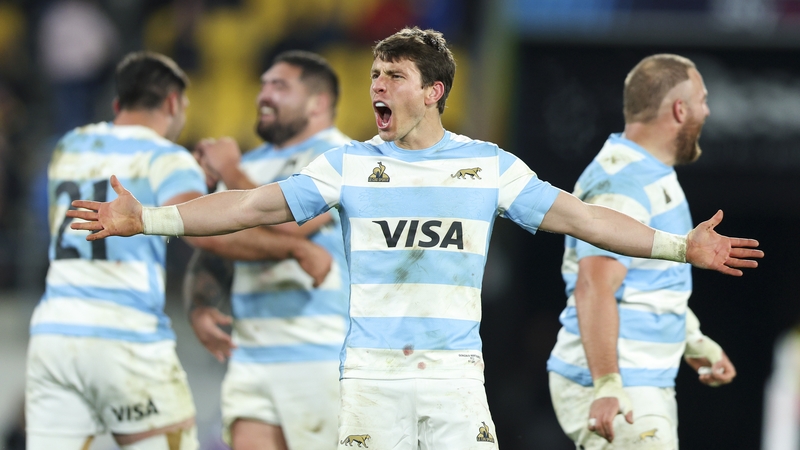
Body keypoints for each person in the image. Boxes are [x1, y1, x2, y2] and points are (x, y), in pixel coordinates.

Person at [66, 29, 763, 450]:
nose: (377, 86)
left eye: (392, 76)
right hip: (372, 378)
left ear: (431, 91)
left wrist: (678, 248)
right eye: (373, 75)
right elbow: (251, 206)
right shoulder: (349, 164)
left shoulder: (485, 166)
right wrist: (150, 219)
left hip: (455, 380)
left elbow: (583, 220)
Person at [26, 51, 331, 450]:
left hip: (52, 335)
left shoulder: (69, 146)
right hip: (125, 337)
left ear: (119, 104)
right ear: (172, 103)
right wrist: (292, 249)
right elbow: (209, 234)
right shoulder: (165, 156)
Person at [547, 54, 739, 449]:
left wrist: (694, 340)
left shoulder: (648, 173)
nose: (708, 110)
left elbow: (648, 283)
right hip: (619, 384)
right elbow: (593, 287)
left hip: (641, 380)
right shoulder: (625, 182)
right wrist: (606, 384)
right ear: (680, 109)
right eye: (702, 99)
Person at [185, 50, 351, 450]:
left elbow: (295, 222)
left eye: (279, 86)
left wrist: (229, 174)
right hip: (251, 351)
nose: (264, 95)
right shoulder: (251, 165)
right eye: (262, 85)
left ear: (318, 103)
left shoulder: (344, 157)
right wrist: (199, 301)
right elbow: (220, 239)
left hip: (321, 351)